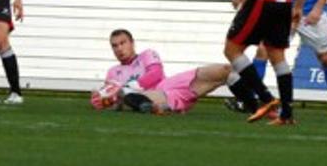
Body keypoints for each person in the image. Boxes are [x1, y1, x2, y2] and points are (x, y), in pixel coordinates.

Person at [91, 29, 248, 115]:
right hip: (155, 95)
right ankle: (161, 107)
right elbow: (110, 100)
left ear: (132, 43)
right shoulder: (113, 72)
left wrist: (131, 85)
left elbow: (156, 74)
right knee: (128, 97)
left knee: (225, 70)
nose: (119, 49)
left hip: (170, 85)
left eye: (122, 43)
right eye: (115, 46)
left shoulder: (147, 54)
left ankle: (248, 102)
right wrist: (98, 99)